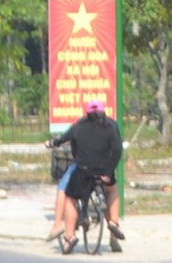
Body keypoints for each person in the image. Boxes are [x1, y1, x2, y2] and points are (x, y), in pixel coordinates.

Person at [48, 100, 124, 254]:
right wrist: (108, 172)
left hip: (83, 172)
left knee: (70, 199)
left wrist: (52, 142)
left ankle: (69, 237)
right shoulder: (112, 126)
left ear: (87, 113)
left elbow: (62, 139)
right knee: (112, 191)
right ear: (104, 112)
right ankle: (114, 222)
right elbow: (116, 151)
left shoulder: (79, 126)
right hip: (103, 172)